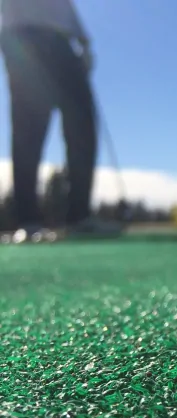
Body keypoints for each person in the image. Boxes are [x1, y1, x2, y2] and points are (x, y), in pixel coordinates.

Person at [0, 0, 122, 242]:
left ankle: (79, 216)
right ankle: (27, 221)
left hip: (63, 40)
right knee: (29, 125)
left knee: (82, 122)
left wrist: (84, 41)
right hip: (22, 33)